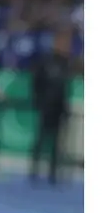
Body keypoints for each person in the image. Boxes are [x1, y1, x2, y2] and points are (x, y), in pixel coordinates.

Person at [28, 40, 72, 184]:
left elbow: (66, 89)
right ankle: (34, 170)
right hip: (46, 106)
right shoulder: (45, 62)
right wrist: (39, 102)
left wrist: (65, 107)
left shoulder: (65, 64)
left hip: (59, 108)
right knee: (41, 139)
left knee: (56, 142)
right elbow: (36, 83)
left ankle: (52, 172)